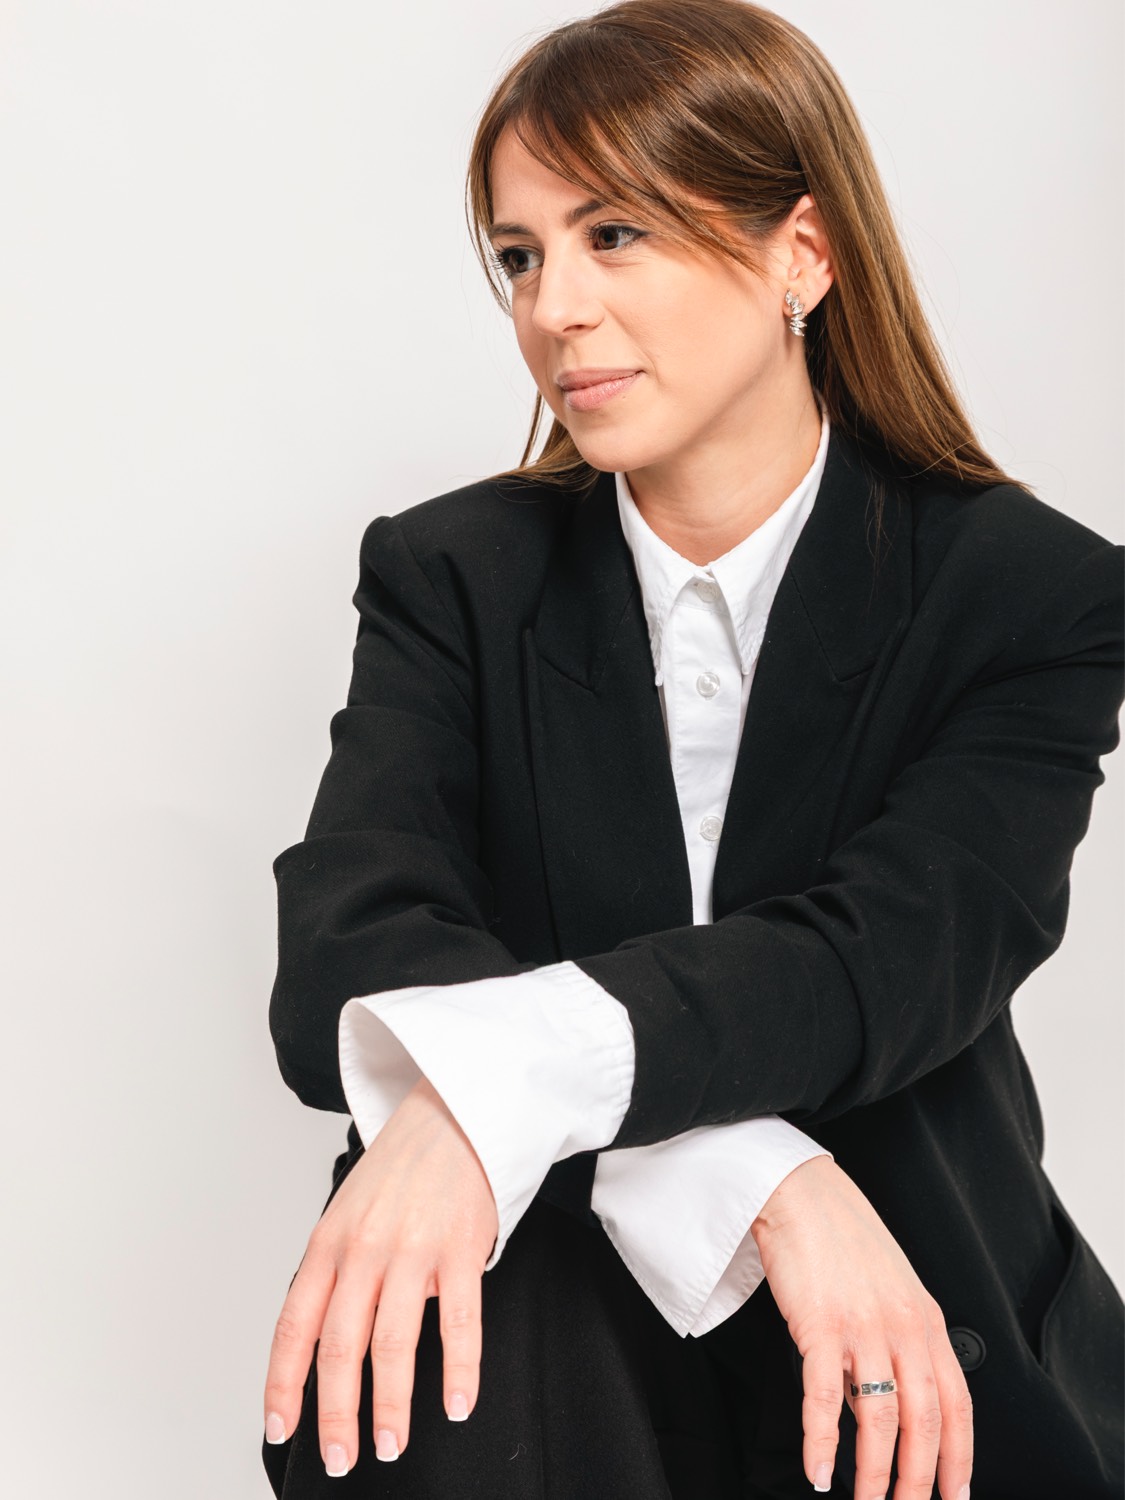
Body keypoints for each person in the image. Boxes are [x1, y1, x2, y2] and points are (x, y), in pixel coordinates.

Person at [260, 1, 1125, 1495]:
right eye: (520, 255)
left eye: (615, 235)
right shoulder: (451, 575)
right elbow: (348, 957)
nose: (555, 309)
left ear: (804, 255)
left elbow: (886, 958)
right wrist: (752, 1171)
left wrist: (495, 1082)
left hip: (909, 1318)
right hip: (539, 1343)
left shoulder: (1029, 592)